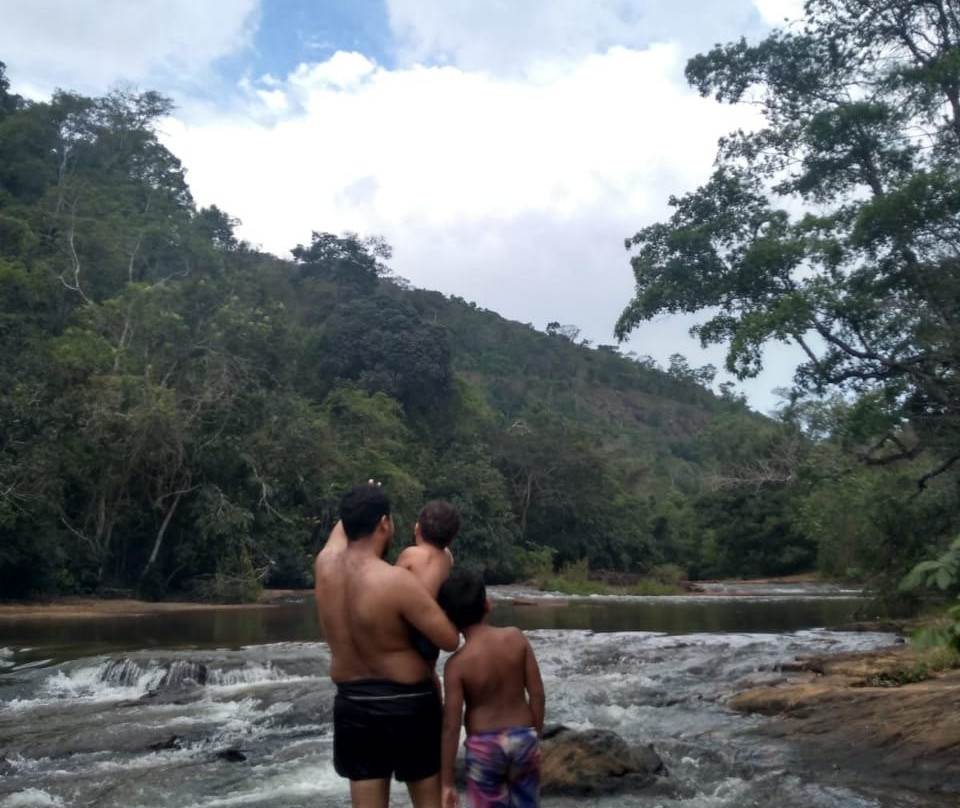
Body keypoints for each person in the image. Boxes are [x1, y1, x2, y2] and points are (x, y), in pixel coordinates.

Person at [314, 483, 460, 808]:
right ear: (384, 523)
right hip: (408, 704)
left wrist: (363, 496)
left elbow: (343, 531)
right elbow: (448, 640)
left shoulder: (324, 566)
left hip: (352, 703)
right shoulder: (396, 582)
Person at [437, 570, 545, 808]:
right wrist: (534, 735)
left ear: (450, 619)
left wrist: (446, 783)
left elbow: (451, 727)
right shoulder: (516, 638)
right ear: (487, 604)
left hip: (484, 748)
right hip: (523, 737)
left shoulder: (456, 665)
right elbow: (537, 695)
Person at [396, 500, 461, 664]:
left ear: (417, 529)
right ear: (451, 540)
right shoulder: (447, 557)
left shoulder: (411, 554)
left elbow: (391, 583)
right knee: (427, 666)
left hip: (412, 626)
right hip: (432, 629)